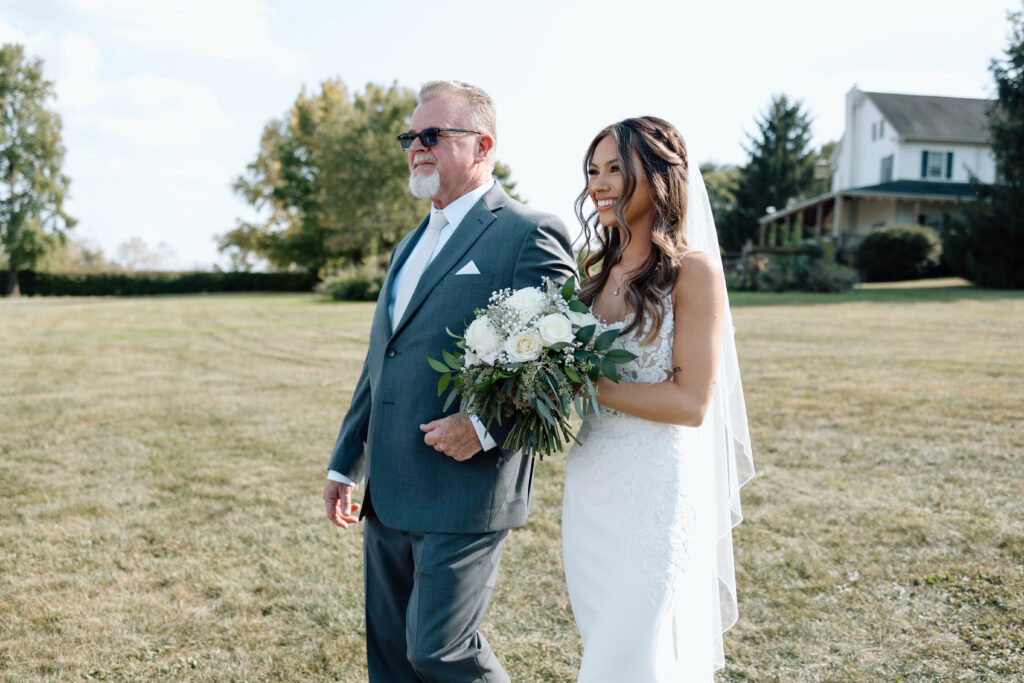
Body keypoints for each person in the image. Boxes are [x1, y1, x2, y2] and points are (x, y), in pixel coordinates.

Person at [322, 80, 576, 682]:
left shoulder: (526, 232)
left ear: (482, 145)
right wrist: (344, 464)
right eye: (410, 136)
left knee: (442, 652)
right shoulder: (408, 246)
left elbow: (567, 360)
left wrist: (484, 428)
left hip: (465, 488)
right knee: (389, 663)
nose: (417, 146)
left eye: (432, 134)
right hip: (387, 489)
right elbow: (379, 361)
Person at [561, 117, 754, 680]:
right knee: (603, 642)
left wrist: (590, 383)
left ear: (661, 175)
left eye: (616, 168)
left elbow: (691, 403)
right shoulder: (594, 279)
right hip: (591, 485)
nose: (599, 183)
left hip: (654, 491)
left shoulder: (692, 272)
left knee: (628, 653)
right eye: (593, 171)